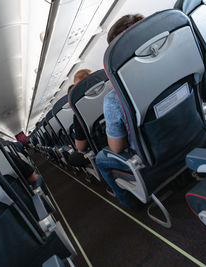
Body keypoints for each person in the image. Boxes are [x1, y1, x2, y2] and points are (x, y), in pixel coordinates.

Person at [96, 14, 144, 209]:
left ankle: (129, 204)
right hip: (194, 131)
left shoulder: (115, 98)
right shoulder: (182, 59)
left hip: (150, 157)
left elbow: (117, 148)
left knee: (101, 158)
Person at [67, 69, 93, 167]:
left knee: (73, 158)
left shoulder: (78, 114)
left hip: (101, 149)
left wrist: (76, 145)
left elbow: (81, 147)